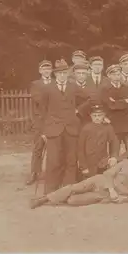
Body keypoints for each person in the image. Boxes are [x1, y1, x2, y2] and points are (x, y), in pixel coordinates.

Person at [29, 149, 128, 209]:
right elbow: (108, 173)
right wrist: (111, 189)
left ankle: (60, 197)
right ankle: (43, 199)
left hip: (105, 195)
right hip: (100, 181)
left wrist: (122, 199)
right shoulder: (125, 163)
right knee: (74, 188)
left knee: (73, 201)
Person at [39, 59, 91, 194]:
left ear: (67, 74)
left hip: (71, 128)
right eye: (59, 73)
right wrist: (44, 131)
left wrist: (78, 110)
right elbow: (42, 111)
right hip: (53, 129)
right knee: (54, 160)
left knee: (71, 160)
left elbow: (89, 98)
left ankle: (68, 190)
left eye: (64, 73)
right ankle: (50, 191)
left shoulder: (73, 87)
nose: (62, 75)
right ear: (55, 74)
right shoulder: (47, 88)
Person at [26, 60, 54, 185]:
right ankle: (34, 173)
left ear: (51, 70)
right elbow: (38, 99)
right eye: (44, 69)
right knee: (38, 147)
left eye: (48, 69)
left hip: (54, 120)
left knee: (54, 148)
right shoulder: (35, 84)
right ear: (40, 71)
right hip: (40, 120)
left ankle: (52, 173)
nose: (46, 71)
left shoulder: (55, 82)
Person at [77, 104, 120, 177]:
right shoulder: (86, 129)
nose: (97, 118)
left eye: (99, 115)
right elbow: (80, 149)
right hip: (89, 164)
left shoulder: (107, 127)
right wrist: (83, 166)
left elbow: (114, 142)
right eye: (95, 115)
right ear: (91, 116)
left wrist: (113, 156)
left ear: (103, 116)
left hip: (102, 162)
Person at [101, 64, 128, 147]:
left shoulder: (126, 88)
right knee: (115, 148)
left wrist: (116, 102)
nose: (117, 77)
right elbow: (110, 106)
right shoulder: (105, 89)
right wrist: (124, 101)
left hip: (126, 122)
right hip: (113, 122)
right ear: (109, 76)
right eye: (114, 75)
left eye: (118, 74)